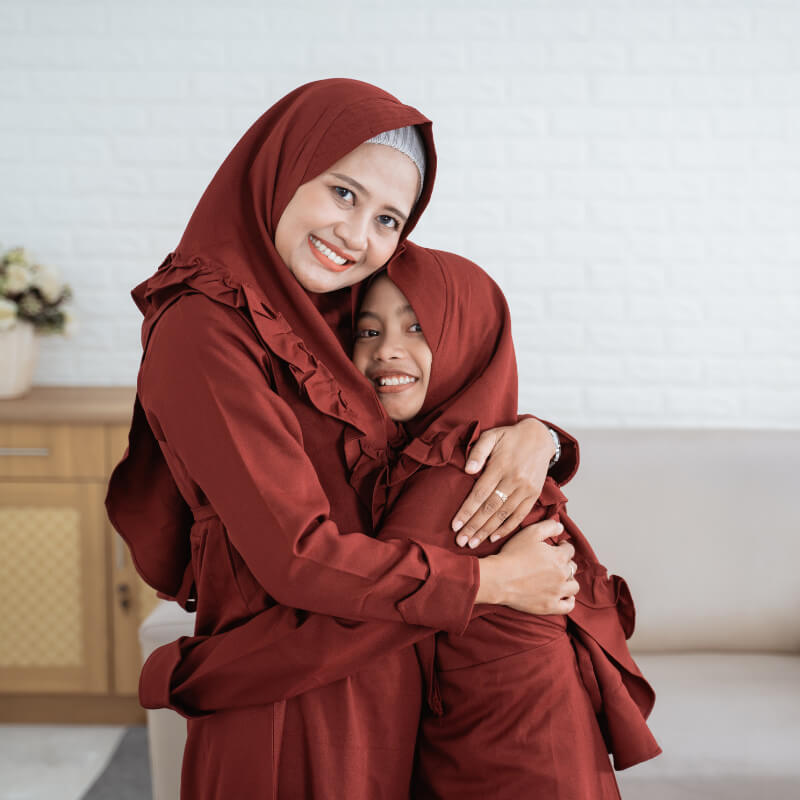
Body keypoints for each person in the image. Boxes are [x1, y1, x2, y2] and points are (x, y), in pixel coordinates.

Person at [106, 78, 582, 799]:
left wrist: (536, 435)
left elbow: (432, 404)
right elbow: (298, 556)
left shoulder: (323, 319)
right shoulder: (204, 330)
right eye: (344, 194)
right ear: (281, 170)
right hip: (286, 701)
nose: (359, 238)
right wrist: (494, 583)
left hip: (380, 679)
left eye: (389, 219)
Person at [142, 245, 660, 798]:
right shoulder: (466, 452)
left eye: (418, 328)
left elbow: (343, 631)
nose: (388, 350)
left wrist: (181, 673)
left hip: (519, 771)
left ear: (468, 339)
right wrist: (547, 436)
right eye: (367, 333)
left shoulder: (459, 480)